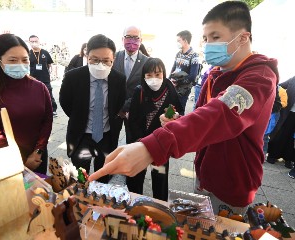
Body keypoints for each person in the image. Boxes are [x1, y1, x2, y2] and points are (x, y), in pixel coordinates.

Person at [89, 1, 279, 216]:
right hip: (206, 172)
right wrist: (177, 121)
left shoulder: (258, 78)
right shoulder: (217, 73)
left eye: (215, 37)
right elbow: (201, 118)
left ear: (243, 37)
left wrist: (152, 147)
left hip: (232, 181)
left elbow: (220, 114)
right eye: (206, 38)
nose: (208, 44)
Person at [0, 33, 53, 174]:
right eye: (13, 60)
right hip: (4, 158)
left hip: (37, 157)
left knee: (38, 194)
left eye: (24, 59)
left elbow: (47, 121)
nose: (20, 64)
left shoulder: (39, 87)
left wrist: (38, 150)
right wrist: (21, 161)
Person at [59, 34, 126, 183]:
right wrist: (80, 117)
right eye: (95, 59)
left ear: (113, 60)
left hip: (107, 136)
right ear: (87, 56)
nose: (100, 64)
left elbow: (118, 103)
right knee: (79, 178)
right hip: (81, 137)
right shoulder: (72, 77)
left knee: (103, 177)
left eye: (106, 60)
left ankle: (98, 205)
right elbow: (65, 102)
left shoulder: (119, 79)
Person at [127, 58, 183, 201]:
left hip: (161, 145)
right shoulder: (139, 91)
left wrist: (175, 117)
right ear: (143, 76)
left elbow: (180, 114)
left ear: (163, 74)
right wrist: (142, 142)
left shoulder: (170, 89)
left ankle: (160, 206)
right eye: (149, 75)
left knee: (160, 178)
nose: (154, 79)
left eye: (158, 74)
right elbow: (132, 120)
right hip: (140, 143)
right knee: (136, 177)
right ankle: (134, 203)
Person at [113, 25, 149, 143]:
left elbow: (146, 88)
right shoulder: (113, 57)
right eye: (128, 37)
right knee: (109, 144)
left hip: (134, 111)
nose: (132, 41)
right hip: (114, 111)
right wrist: (118, 108)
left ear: (141, 40)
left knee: (132, 143)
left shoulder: (147, 62)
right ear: (122, 39)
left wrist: (126, 107)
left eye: (136, 37)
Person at [169, 30, 200, 115]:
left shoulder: (194, 56)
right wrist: (169, 81)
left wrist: (177, 81)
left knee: (179, 110)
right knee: (170, 110)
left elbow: (192, 76)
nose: (177, 43)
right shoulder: (178, 54)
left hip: (184, 90)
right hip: (174, 86)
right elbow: (173, 68)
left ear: (185, 41)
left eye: (178, 41)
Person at [267, 76, 295, 171]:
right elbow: (279, 86)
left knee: (292, 138)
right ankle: (272, 155)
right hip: (287, 112)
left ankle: (288, 159)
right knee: (280, 134)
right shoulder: (293, 79)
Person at [29, 35, 58, 117]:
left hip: (45, 78)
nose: (34, 43)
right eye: (32, 41)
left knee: (49, 93)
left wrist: (49, 73)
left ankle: (53, 110)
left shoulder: (45, 52)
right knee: (34, 95)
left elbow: (49, 65)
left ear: (39, 41)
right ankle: (37, 110)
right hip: (33, 78)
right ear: (29, 42)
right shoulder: (28, 53)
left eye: (36, 41)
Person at [263, 85, 287, 158]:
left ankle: (263, 155)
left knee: (265, 136)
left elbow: (284, 103)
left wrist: (272, 103)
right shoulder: (266, 86)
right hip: (264, 112)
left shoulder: (281, 90)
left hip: (273, 114)